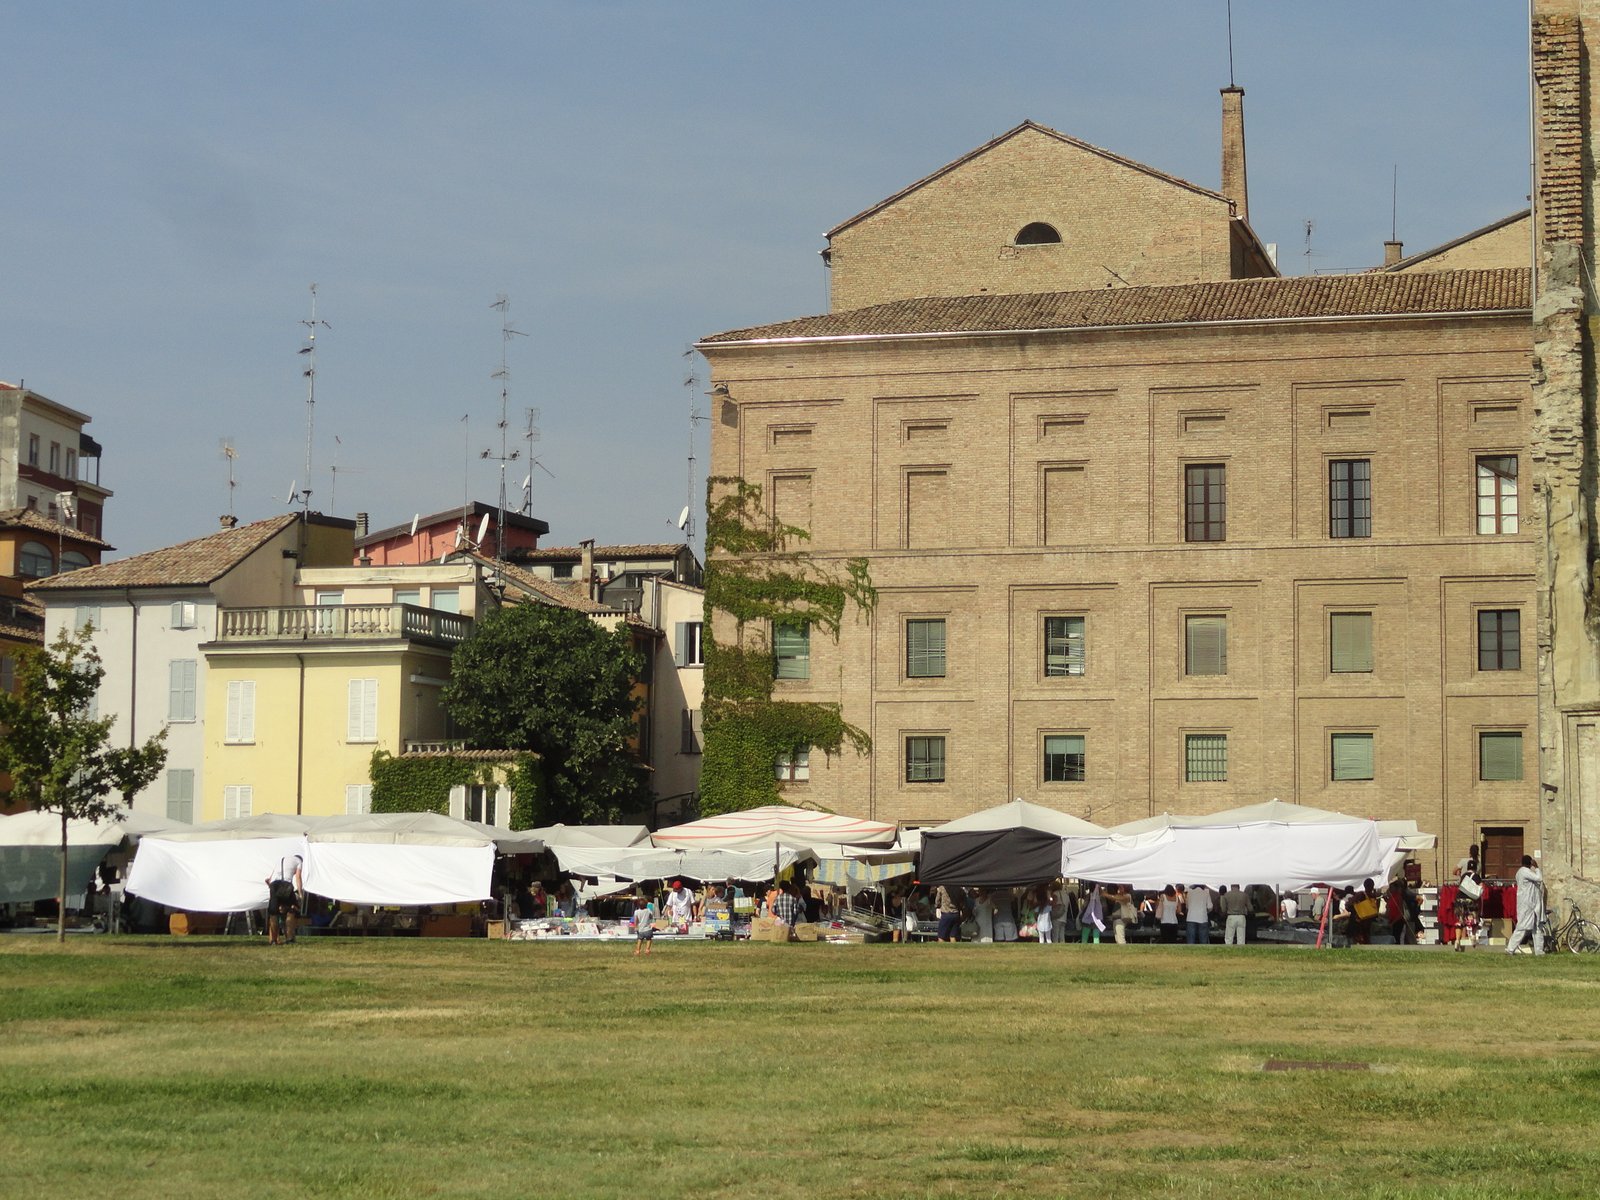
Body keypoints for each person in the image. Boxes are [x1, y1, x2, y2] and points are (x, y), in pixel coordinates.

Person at [1505, 855, 1545, 956]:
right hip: (1527, 903)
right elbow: (1539, 878)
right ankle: (1510, 948)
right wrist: (1537, 868)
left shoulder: (1524, 872)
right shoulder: (1523, 871)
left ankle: (1539, 951)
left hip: (1534, 903)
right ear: (1529, 863)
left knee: (1537, 926)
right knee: (1522, 926)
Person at [265, 853, 303, 945]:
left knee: (274, 913)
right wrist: (300, 894)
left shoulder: (280, 860)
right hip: (286, 885)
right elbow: (298, 877)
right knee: (292, 910)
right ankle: (290, 939)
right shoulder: (299, 861)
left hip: (274, 886)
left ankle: (273, 940)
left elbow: (268, 880)